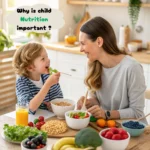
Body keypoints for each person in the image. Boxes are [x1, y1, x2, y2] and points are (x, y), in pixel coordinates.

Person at [77, 16, 146, 121]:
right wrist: (90, 103)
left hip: (131, 131)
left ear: (99, 42)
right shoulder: (92, 64)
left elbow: (137, 112)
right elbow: (99, 102)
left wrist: (106, 114)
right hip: (106, 127)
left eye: (83, 43)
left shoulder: (132, 68)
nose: (80, 49)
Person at [12, 42, 63, 114]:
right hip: (30, 122)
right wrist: (47, 85)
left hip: (48, 119)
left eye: (47, 56)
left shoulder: (48, 77)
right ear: (30, 67)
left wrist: (54, 107)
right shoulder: (22, 82)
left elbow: (59, 101)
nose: (48, 60)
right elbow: (29, 108)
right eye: (43, 59)